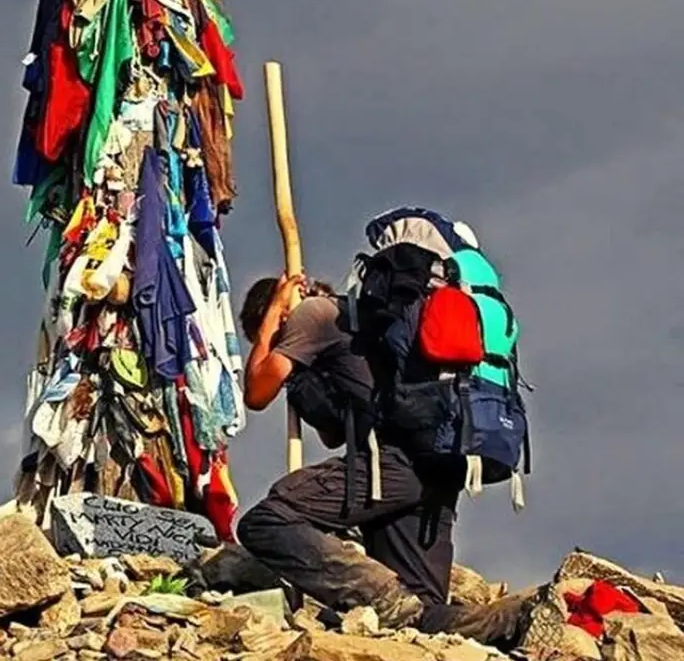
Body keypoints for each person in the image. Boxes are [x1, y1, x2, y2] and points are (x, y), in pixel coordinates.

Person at [233, 273, 566, 654]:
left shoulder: (314, 313)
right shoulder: (361, 326)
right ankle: (517, 618)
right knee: (421, 617)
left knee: (266, 521)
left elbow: (256, 392)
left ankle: (379, 596)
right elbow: (334, 434)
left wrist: (273, 317)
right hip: (435, 469)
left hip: (391, 464)